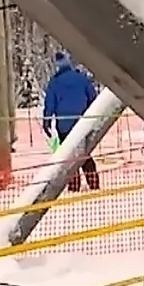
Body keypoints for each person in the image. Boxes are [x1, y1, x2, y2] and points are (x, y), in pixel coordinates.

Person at [43, 51, 103, 191]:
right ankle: (94, 183)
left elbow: (50, 104)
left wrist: (47, 121)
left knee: (70, 157)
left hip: (64, 125)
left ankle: (74, 186)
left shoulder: (55, 82)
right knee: (85, 154)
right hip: (83, 123)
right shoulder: (81, 78)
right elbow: (93, 98)